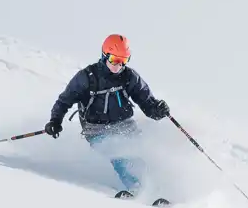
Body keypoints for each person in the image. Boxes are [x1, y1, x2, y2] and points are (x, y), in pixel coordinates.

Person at [44, 34, 170, 195]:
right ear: (104, 55)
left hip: (125, 125)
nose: (118, 66)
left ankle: (158, 192)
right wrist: (55, 120)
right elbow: (64, 101)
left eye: (123, 60)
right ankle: (138, 191)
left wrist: (157, 110)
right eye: (114, 60)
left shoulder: (129, 77)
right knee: (120, 154)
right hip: (96, 129)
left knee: (144, 152)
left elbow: (147, 102)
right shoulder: (87, 77)